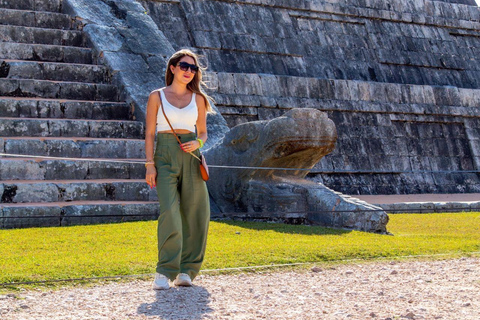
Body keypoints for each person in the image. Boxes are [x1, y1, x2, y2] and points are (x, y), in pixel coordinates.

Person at [144, 49, 213, 290]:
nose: (188, 72)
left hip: (191, 156)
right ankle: (165, 270)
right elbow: (150, 133)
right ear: (172, 67)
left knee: (197, 213)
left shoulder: (199, 99)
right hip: (164, 156)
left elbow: (203, 132)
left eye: (193, 68)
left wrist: (199, 142)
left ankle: (187, 270)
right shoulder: (157, 96)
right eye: (184, 66)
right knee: (170, 213)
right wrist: (149, 164)